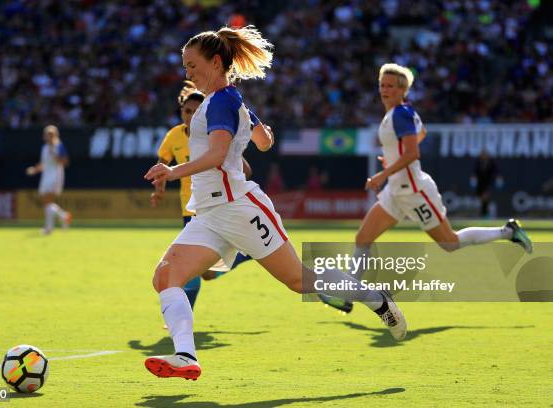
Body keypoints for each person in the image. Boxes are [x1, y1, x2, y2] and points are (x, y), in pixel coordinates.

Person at [142, 26, 407, 381]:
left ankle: (376, 298)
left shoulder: (222, 101)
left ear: (216, 61)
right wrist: (257, 129)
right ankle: (186, 357)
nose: (187, 72)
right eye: (185, 65)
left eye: (192, 64)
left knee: (299, 280)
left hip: (239, 208)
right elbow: (264, 143)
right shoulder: (225, 100)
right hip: (209, 213)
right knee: (165, 276)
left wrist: (172, 172)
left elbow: (219, 155)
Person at [321, 63, 532, 313]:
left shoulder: (400, 113)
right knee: (363, 238)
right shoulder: (397, 114)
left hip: (414, 192)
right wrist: (392, 159)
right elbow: (420, 133)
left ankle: (508, 231)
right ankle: (348, 295)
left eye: (390, 85)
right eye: (382, 84)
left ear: (403, 90)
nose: (384, 89)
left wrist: (383, 173)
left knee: (450, 243)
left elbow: (413, 152)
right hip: (396, 192)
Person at [151, 81, 252, 310]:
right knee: (206, 273)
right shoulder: (174, 135)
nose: (190, 115)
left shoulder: (214, 135)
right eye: (187, 111)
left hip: (212, 207)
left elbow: (245, 170)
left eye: (196, 111)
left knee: (185, 266)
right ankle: (248, 254)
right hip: (188, 209)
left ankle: (184, 314)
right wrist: (159, 190)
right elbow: (162, 163)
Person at [26, 125, 71, 235]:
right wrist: (35, 169)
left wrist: (55, 155)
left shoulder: (59, 146)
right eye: (47, 135)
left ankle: (49, 228)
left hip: (56, 175)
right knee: (46, 202)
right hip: (46, 176)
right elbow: (43, 164)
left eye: (51, 135)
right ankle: (64, 216)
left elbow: (65, 162)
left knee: (48, 200)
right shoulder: (44, 148)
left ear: (56, 135)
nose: (49, 137)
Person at [471, 150, 501, 217]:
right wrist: (473, 179)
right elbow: (475, 172)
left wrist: (498, 178)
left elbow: (496, 171)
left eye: (484, 154)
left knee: (485, 197)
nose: (483, 156)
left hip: (488, 183)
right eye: (482, 154)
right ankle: (482, 213)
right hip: (480, 184)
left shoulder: (491, 162)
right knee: (481, 199)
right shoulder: (478, 162)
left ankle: (485, 214)